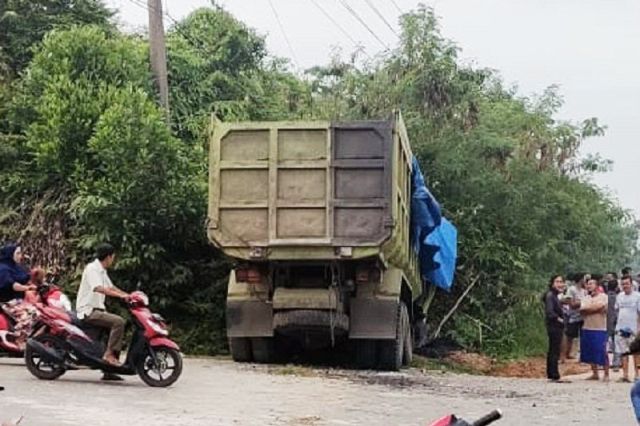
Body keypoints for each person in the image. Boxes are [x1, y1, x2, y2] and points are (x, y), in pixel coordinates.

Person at [76, 243, 129, 366]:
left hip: (98, 310)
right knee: (118, 322)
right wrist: (121, 296)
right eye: (113, 257)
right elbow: (99, 288)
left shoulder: (101, 271)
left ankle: (109, 369)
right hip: (88, 311)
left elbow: (111, 287)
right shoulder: (92, 269)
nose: (113, 259)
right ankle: (109, 355)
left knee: (113, 329)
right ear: (109, 257)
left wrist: (129, 295)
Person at [576, 276, 610, 381]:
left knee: (602, 351)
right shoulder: (586, 298)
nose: (589, 286)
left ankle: (606, 374)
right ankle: (595, 373)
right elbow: (581, 310)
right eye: (588, 284)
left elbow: (600, 307)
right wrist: (593, 308)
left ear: (597, 285)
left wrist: (589, 309)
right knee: (590, 350)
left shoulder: (604, 296)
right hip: (587, 327)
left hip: (600, 328)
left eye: (591, 284)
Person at [615, 275, 640, 382]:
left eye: (627, 283)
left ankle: (637, 375)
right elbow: (617, 311)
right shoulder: (619, 296)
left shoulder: (637, 296)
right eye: (623, 284)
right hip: (620, 328)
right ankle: (625, 375)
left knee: (636, 352)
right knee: (623, 352)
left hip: (634, 328)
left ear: (631, 284)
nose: (625, 286)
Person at [543, 275, 568, 382]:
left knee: (554, 349)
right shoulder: (550, 295)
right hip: (554, 326)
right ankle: (553, 374)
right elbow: (550, 312)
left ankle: (552, 373)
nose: (560, 284)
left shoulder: (555, 296)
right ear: (552, 283)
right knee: (554, 350)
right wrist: (559, 319)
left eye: (561, 282)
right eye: (557, 282)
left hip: (556, 326)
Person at [563, 273, 587, 361]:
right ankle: (565, 354)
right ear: (580, 279)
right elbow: (571, 304)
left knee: (583, 337)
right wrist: (581, 302)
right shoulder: (571, 289)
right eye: (584, 278)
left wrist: (578, 302)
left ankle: (582, 356)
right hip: (573, 316)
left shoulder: (584, 291)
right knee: (570, 336)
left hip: (582, 316)